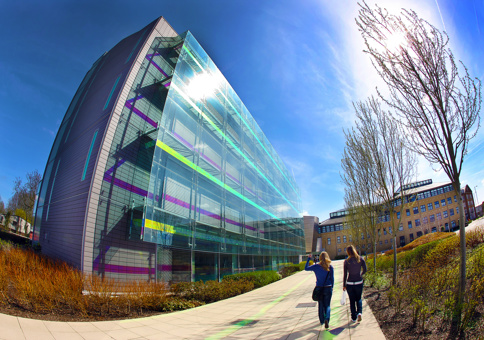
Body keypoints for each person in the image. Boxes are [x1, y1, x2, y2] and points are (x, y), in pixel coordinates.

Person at [305, 252, 334, 329]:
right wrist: (332, 287)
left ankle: (322, 321)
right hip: (328, 287)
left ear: (320, 258)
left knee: (320, 305)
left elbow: (306, 268)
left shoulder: (316, 266)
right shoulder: (330, 267)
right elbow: (332, 279)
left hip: (319, 288)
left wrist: (308, 259)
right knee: (327, 305)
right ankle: (327, 319)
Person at [343, 245, 367, 323]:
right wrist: (360, 274)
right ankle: (359, 313)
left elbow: (345, 274)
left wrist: (344, 285)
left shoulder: (346, 261)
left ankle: (353, 317)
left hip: (350, 283)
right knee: (358, 298)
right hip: (358, 282)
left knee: (352, 300)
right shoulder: (360, 259)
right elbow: (365, 270)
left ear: (348, 252)